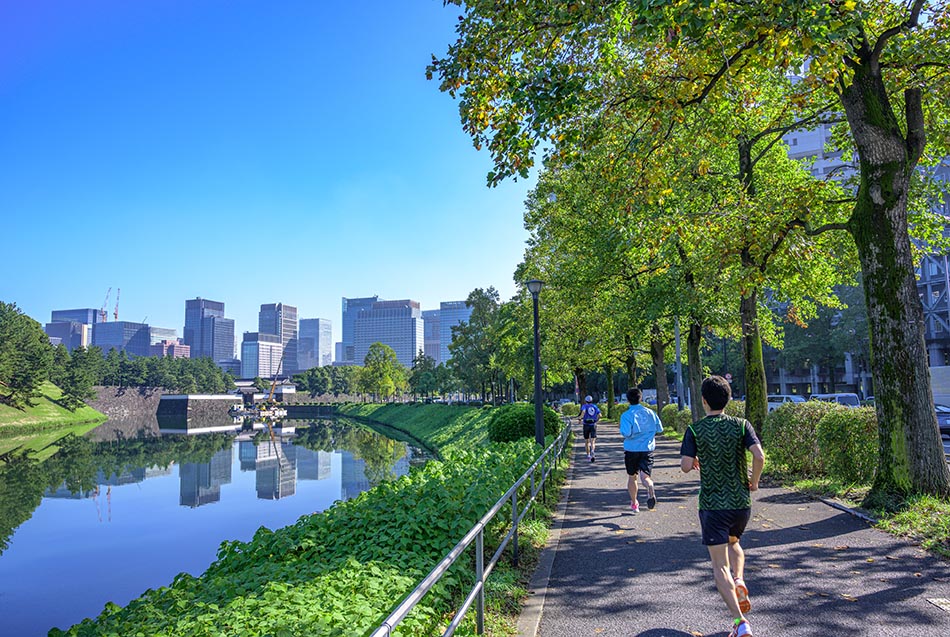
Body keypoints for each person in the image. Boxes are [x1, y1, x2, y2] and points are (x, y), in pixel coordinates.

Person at [680, 376, 765, 637]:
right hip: (740, 503)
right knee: (734, 543)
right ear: (728, 399)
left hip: (713, 505)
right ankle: (739, 580)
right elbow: (759, 456)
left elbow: (684, 466)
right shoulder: (741, 425)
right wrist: (754, 482)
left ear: (704, 401)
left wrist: (694, 460)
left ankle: (741, 623)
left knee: (719, 566)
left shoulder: (695, 430)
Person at [618, 387, 663, 512]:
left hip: (631, 450)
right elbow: (660, 429)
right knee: (645, 477)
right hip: (647, 449)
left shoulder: (626, 415)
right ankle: (650, 486)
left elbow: (626, 433)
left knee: (632, 477)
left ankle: (634, 503)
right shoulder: (650, 412)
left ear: (628, 400)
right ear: (641, 398)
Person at [578, 395, 601, 462]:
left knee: (587, 441)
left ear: (586, 401)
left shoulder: (584, 406)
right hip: (593, 424)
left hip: (586, 425)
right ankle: (593, 450)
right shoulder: (595, 406)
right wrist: (597, 420)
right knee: (593, 441)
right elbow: (600, 415)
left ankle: (588, 456)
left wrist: (580, 418)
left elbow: (583, 412)